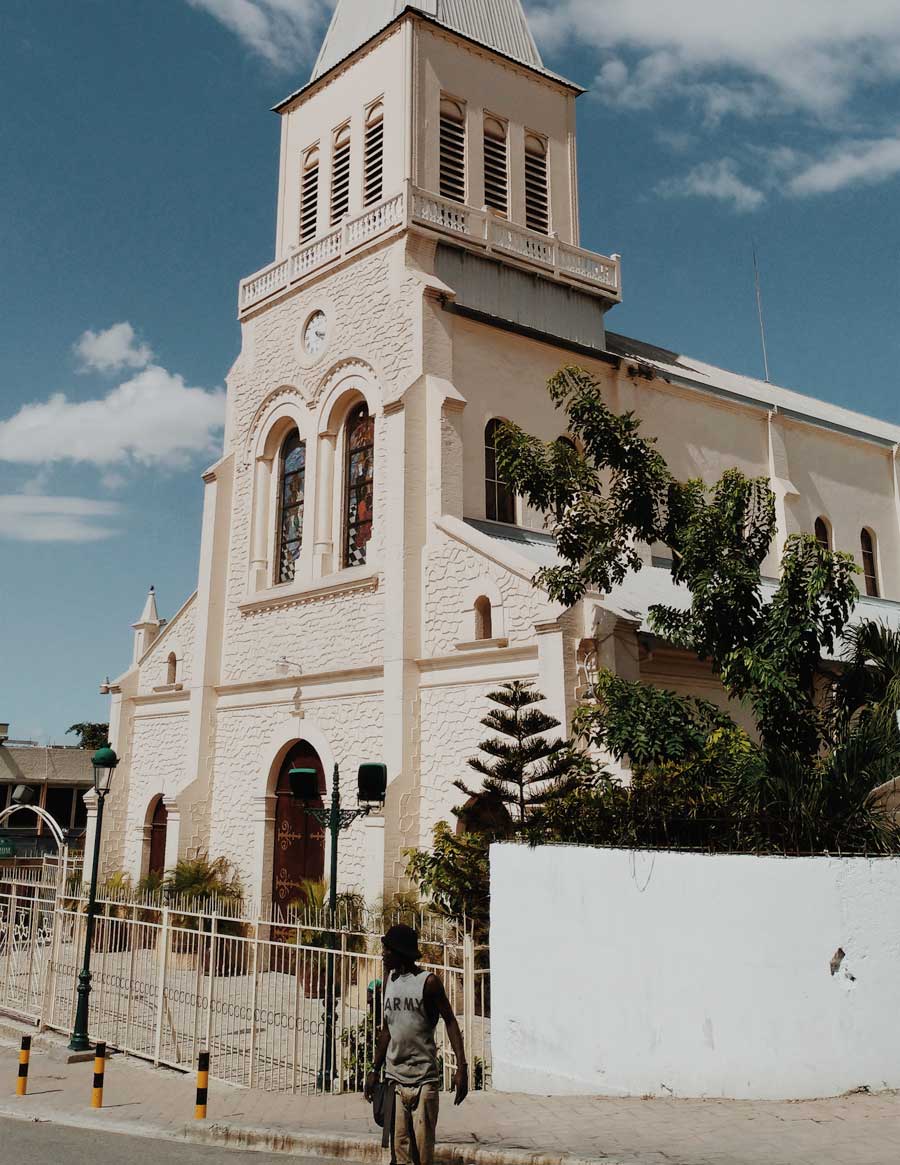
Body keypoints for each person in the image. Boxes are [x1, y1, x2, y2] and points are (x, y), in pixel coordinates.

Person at [365, 924, 468, 1165]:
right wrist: (374, 1069)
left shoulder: (428, 982)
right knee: (400, 1155)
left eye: (387, 949)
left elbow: (450, 1022)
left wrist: (461, 1068)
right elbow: (387, 1030)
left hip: (423, 1082)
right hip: (395, 1081)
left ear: (400, 952)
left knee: (423, 1156)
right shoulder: (389, 981)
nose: (383, 954)